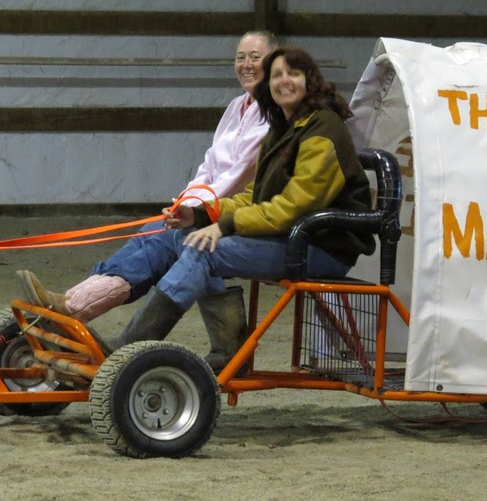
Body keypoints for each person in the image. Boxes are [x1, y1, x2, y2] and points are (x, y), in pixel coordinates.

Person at [78, 46, 377, 371]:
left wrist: (223, 226)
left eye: (294, 73)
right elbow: (254, 197)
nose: (285, 81)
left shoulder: (323, 130)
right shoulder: (284, 129)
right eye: (277, 75)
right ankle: (229, 350)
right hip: (295, 239)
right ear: (268, 85)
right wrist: (199, 214)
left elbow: (290, 209)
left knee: (204, 250)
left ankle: (131, 346)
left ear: (310, 80)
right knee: (185, 236)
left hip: (322, 248)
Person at [17, 30, 278, 324]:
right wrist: (185, 200)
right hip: (207, 206)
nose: (246, 65)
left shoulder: (273, 116)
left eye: (255, 57)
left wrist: (194, 210)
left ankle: (76, 306)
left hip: (234, 214)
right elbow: (210, 163)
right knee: (150, 232)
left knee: (167, 238)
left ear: (274, 62)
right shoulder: (236, 106)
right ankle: (74, 299)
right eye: (240, 57)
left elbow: (238, 175)